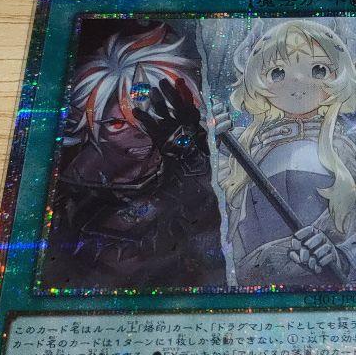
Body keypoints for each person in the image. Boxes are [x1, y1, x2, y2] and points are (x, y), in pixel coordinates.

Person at [40, 23, 224, 290]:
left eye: (152, 120)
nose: (140, 135)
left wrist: (191, 157)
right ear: (89, 126)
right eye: (117, 124)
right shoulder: (69, 195)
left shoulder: (185, 167)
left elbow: (212, 240)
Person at [211, 19, 356, 289]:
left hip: (323, 288)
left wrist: (342, 257)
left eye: (318, 70)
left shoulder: (348, 149)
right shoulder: (247, 149)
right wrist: (209, 135)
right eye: (277, 73)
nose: (297, 81)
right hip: (253, 289)